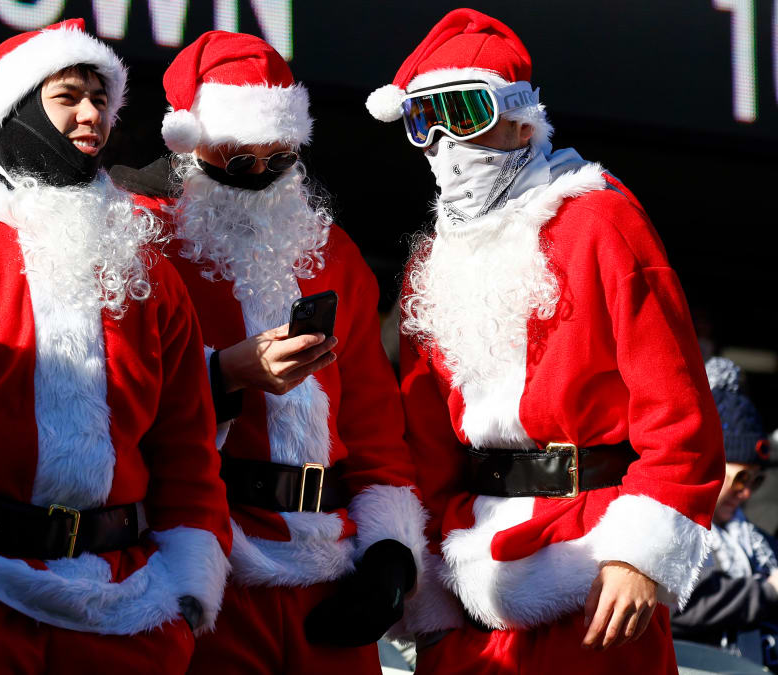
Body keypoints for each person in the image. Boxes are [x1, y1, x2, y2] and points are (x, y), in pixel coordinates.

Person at [0, 20, 232, 675]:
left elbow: (185, 445)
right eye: (69, 96)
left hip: (128, 610)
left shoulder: (148, 270)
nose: (93, 113)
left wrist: (188, 589)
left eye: (101, 98)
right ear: (17, 107)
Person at [365, 9, 724, 674]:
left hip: (595, 572)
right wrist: (432, 610)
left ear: (518, 114)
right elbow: (427, 445)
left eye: (464, 112)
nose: (444, 140)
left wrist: (637, 555)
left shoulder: (601, 219)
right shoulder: (431, 261)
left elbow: (679, 414)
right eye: (423, 121)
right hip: (470, 587)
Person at [116, 30, 427, 673]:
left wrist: (391, 551)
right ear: (189, 144)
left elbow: (373, 422)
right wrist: (225, 374)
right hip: (208, 562)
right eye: (238, 161)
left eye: (278, 160)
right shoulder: (136, 236)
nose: (259, 177)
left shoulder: (331, 248)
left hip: (330, 569)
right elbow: (111, 402)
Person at [673, 357, 778, 664]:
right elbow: (684, 605)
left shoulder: (754, 539)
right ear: (710, 468)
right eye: (740, 478)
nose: (746, 492)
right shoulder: (672, 528)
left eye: (756, 481)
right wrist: (769, 591)